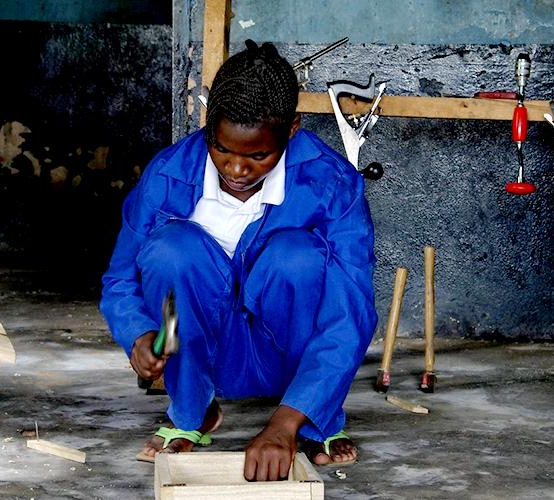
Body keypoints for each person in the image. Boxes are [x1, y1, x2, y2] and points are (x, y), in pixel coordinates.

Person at [100, 40, 375, 480]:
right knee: (173, 249)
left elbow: (350, 313)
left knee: (297, 257)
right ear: (209, 127)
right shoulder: (168, 173)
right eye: (222, 149)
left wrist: (282, 425)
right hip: (197, 346)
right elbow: (120, 279)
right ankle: (193, 411)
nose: (236, 169)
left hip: (282, 353)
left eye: (257, 155)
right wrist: (140, 335)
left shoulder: (331, 183)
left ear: (291, 130)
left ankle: (311, 416)